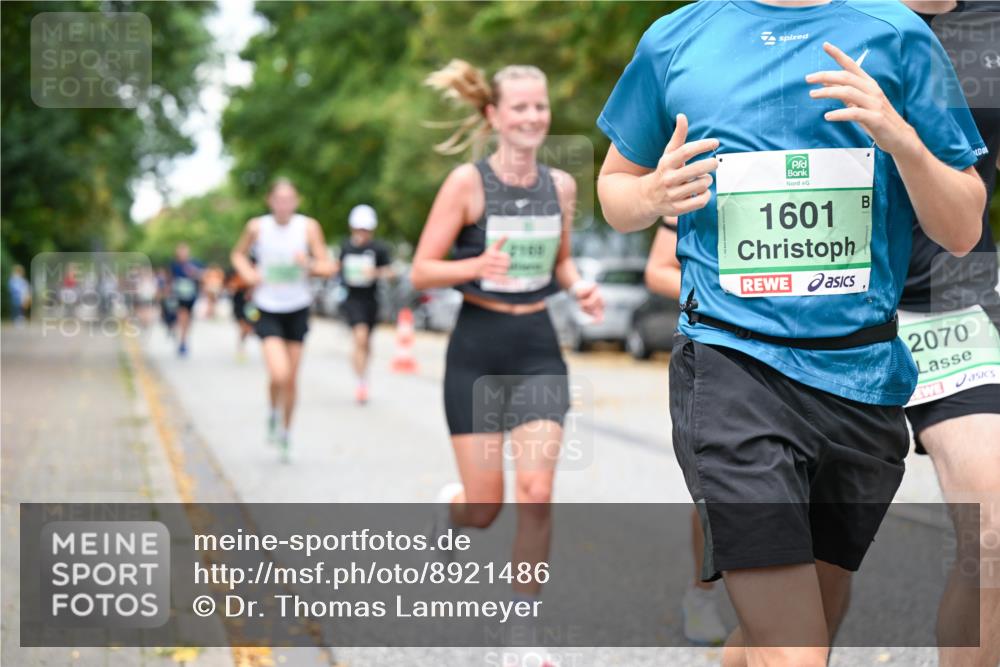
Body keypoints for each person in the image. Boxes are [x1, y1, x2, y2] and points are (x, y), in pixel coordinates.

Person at [596, 2, 986, 665]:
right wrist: (653, 195)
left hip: (860, 377)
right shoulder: (676, 37)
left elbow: (963, 227)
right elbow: (615, 188)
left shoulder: (897, 34)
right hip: (731, 364)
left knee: (802, 628)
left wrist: (902, 140)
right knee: (797, 651)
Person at [411, 59, 603, 664]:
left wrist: (580, 288)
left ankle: (521, 636)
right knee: (486, 505)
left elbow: (562, 260)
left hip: (538, 349)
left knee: (537, 489)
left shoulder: (561, 187)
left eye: (540, 106)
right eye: (519, 107)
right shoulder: (465, 185)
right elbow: (422, 269)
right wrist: (476, 268)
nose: (532, 117)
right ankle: (455, 508)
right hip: (477, 348)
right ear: (494, 116)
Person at [897, 3, 1000, 666]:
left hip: (953, 304)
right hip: (830, 310)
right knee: (816, 587)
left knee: (992, 533)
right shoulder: (818, 12)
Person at [645, 219, 729, 647]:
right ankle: (702, 594)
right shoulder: (704, 161)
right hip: (723, 344)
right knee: (717, 487)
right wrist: (729, 291)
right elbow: (658, 268)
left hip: (822, 347)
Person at [231, 178, 334, 461]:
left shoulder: (308, 227)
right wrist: (249, 273)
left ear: (296, 202)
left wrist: (309, 264)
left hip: (297, 308)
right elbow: (237, 254)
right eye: (279, 199)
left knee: (291, 380)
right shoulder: (257, 227)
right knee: (280, 373)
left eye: (290, 199)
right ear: (270, 201)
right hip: (267, 307)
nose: (284, 204)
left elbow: (327, 266)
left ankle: (286, 433)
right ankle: (273, 412)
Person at [336, 204, 394, 404]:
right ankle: (360, 382)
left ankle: (363, 374)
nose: (363, 233)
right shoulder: (345, 247)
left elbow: (391, 272)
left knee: (367, 342)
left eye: (366, 229)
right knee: (359, 337)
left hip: (372, 300)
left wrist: (376, 273)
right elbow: (337, 270)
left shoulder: (378, 249)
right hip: (352, 299)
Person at [169, 243, 203, 357]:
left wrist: (194, 273)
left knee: (188, 320)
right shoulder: (175, 265)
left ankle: (184, 339)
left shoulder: (195, 263)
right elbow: (171, 279)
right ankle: (182, 342)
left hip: (191, 297)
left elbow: (203, 276)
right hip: (179, 296)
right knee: (182, 317)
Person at [225, 264, 256, 362]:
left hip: (252, 304)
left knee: (250, 326)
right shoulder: (233, 271)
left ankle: (242, 342)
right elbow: (227, 284)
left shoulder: (254, 268)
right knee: (243, 326)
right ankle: (241, 347)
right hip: (238, 302)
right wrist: (234, 287)